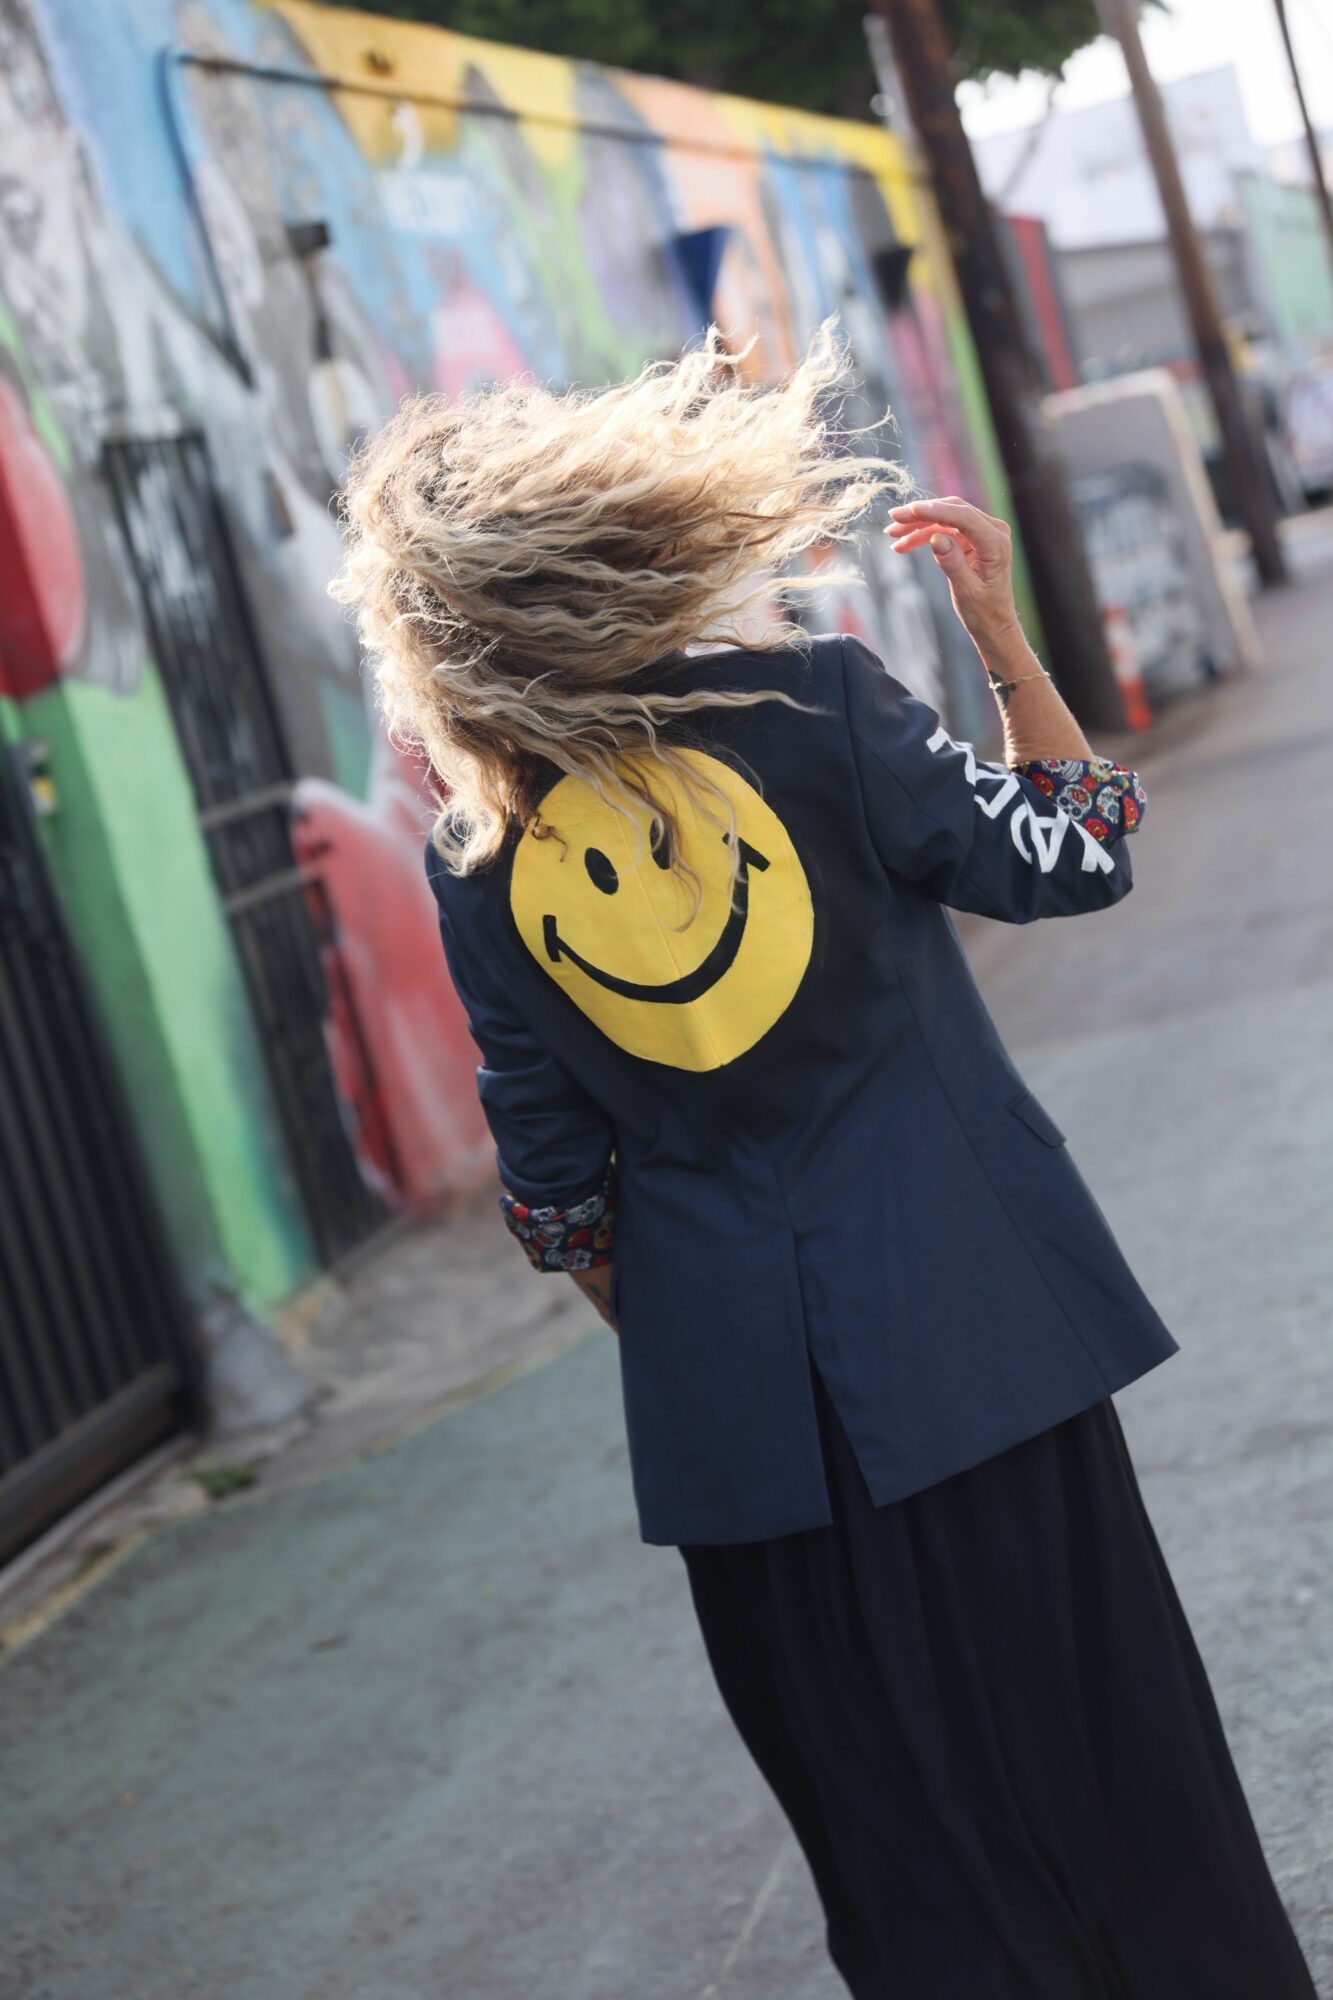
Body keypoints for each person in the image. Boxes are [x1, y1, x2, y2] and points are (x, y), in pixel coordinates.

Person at [331, 327, 1316, 2000]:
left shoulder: (482, 853)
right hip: (985, 1343)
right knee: (1112, 1765)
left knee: (892, 1837)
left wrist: (709, 1330)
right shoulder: (816, 708)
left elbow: (554, 1198)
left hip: (740, 1432)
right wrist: (1003, 638)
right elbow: (1074, 856)